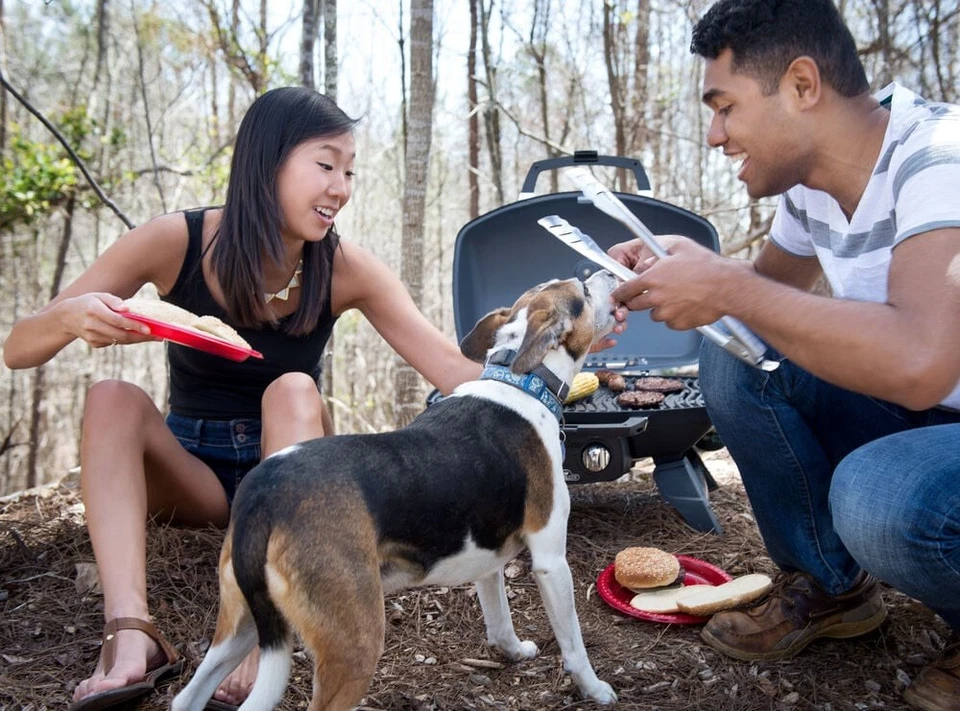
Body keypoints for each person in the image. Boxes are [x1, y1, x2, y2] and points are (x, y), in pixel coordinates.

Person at [2, 87, 495, 710]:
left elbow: (454, 371)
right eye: (326, 164)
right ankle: (130, 633)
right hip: (194, 475)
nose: (341, 188)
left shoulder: (345, 267)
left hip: (292, 469)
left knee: (293, 389)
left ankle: (262, 629)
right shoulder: (174, 241)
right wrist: (69, 317)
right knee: (111, 396)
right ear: (267, 164)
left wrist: (559, 348)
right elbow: (19, 348)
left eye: (349, 171)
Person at [608, 1, 960, 709]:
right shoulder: (811, 187)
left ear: (802, 85)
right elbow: (766, 299)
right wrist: (697, 269)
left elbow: (924, 362)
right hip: (921, 415)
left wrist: (729, 286)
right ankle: (831, 585)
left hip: (932, 402)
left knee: (875, 495)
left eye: (725, 107)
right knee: (737, 353)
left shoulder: (939, 156)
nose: (715, 135)